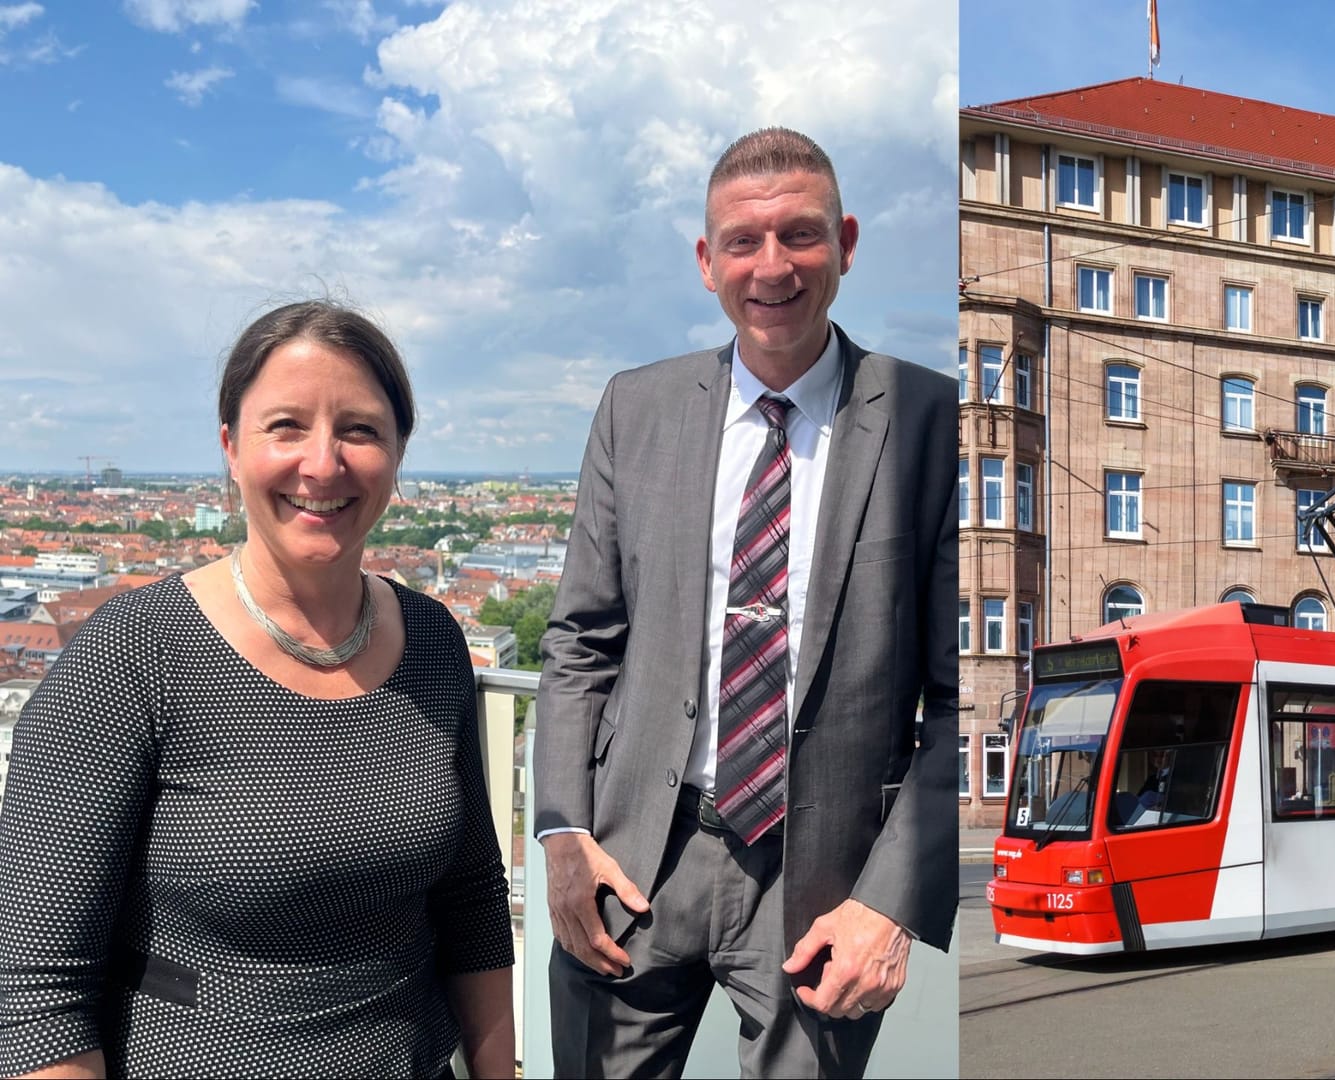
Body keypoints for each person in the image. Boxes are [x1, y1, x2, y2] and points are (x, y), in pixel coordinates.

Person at [534, 127, 958, 1078]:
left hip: (825, 885)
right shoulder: (634, 409)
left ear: (846, 242)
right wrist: (563, 832)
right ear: (706, 260)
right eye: (743, 240)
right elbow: (580, 642)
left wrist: (891, 902)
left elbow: (959, 697)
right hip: (637, 853)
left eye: (801, 235)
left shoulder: (933, 421)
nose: (773, 266)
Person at [0, 301, 514, 1079]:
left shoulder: (434, 640)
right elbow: (37, 991)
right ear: (231, 448)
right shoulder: (132, 654)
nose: (323, 463)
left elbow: (472, 900)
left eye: (360, 429)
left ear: (399, 453)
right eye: (286, 426)